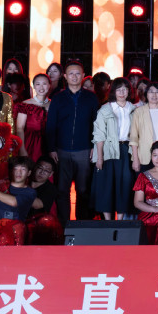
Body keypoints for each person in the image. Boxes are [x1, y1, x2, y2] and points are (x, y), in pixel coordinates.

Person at [44, 60, 99, 224]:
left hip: (84, 149)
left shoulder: (91, 98)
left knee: (83, 189)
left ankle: (82, 225)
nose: (74, 77)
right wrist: (51, 148)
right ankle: (64, 225)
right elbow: (51, 124)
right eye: (71, 74)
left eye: (77, 74)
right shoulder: (58, 98)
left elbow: (97, 124)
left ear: (83, 76)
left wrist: (94, 146)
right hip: (61, 150)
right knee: (62, 189)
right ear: (65, 76)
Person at [92, 78, 137, 220]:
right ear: (113, 91)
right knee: (106, 185)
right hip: (108, 150)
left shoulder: (134, 109)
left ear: (129, 91)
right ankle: (107, 220)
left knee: (124, 184)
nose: (122, 92)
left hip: (126, 149)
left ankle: (120, 219)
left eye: (125, 89)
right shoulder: (105, 109)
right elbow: (99, 134)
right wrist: (99, 157)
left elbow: (136, 134)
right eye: (119, 89)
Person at [130, 81, 158, 173]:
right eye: (151, 91)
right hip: (143, 156)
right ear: (146, 94)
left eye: (157, 92)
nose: (154, 95)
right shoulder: (138, 112)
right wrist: (135, 159)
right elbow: (133, 137)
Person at [26, 156, 64, 244]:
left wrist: (19, 189)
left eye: (46, 171)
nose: (42, 172)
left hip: (36, 225)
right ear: (35, 167)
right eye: (40, 168)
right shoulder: (25, 180)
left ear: (51, 174)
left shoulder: (50, 189)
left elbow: (37, 204)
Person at [15, 73, 51, 162]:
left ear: (49, 85)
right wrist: (22, 149)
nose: (41, 87)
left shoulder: (54, 104)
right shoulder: (26, 104)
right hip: (30, 143)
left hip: (49, 144)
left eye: (44, 84)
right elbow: (19, 128)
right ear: (34, 86)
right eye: (38, 84)